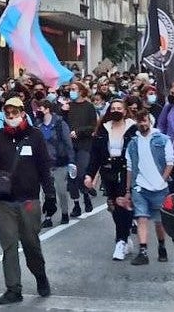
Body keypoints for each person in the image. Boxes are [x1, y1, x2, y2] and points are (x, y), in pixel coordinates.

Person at [0, 97, 56, 305]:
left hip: (29, 200)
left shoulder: (35, 137)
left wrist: (50, 194)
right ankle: (13, 289)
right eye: (7, 112)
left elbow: (44, 167)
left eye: (15, 112)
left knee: (31, 244)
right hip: (5, 201)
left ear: (23, 113)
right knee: (8, 244)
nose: (11, 116)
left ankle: (40, 275)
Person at [85, 100, 136, 261]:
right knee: (114, 205)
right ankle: (125, 236)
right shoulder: (103, 129)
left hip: (126, 171)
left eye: (119, 108)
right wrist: (90, 175)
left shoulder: (133, 129)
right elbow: (95, 155)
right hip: (108, 171)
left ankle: (120, 241)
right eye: (113, 108)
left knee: (123, 204)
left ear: (125, 111)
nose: (116, 111)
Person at [125, 110, 174, 265]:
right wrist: (128, 190)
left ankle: (162, 246)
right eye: (139, 121)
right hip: (140, 187)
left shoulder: (163, 140)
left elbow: (170, 162)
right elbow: (130, 167)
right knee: (142, 217)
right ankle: (143, 251)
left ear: (150, 121)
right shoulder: (133, 143)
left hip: (159, 188)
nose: (142, 124)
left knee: (159, 222)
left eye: (144, 121)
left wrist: (162, 180)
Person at [37, 100, 75, 227]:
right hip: (45, 163)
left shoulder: (60, 124)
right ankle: (48, 216)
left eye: (40, 108)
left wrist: (71, 161)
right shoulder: (38, 126)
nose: (38, 111)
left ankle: (65, 212)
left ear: (47, 109)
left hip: (59, 162)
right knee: (47, 192)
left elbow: (68, 143)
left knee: (61, 190)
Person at [65, 81, 97, 216]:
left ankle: (85, 195)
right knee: (71, 176)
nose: (71, 91)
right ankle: (76, 204)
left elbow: (92, 126)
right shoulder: (68, 107)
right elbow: (63, 124)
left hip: (84, 144)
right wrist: (63, 111)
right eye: (70, 89)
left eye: (74, 89)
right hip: (70, 146)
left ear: (81, 91)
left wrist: (79, 131)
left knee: (81, 172)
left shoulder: (89, 107)